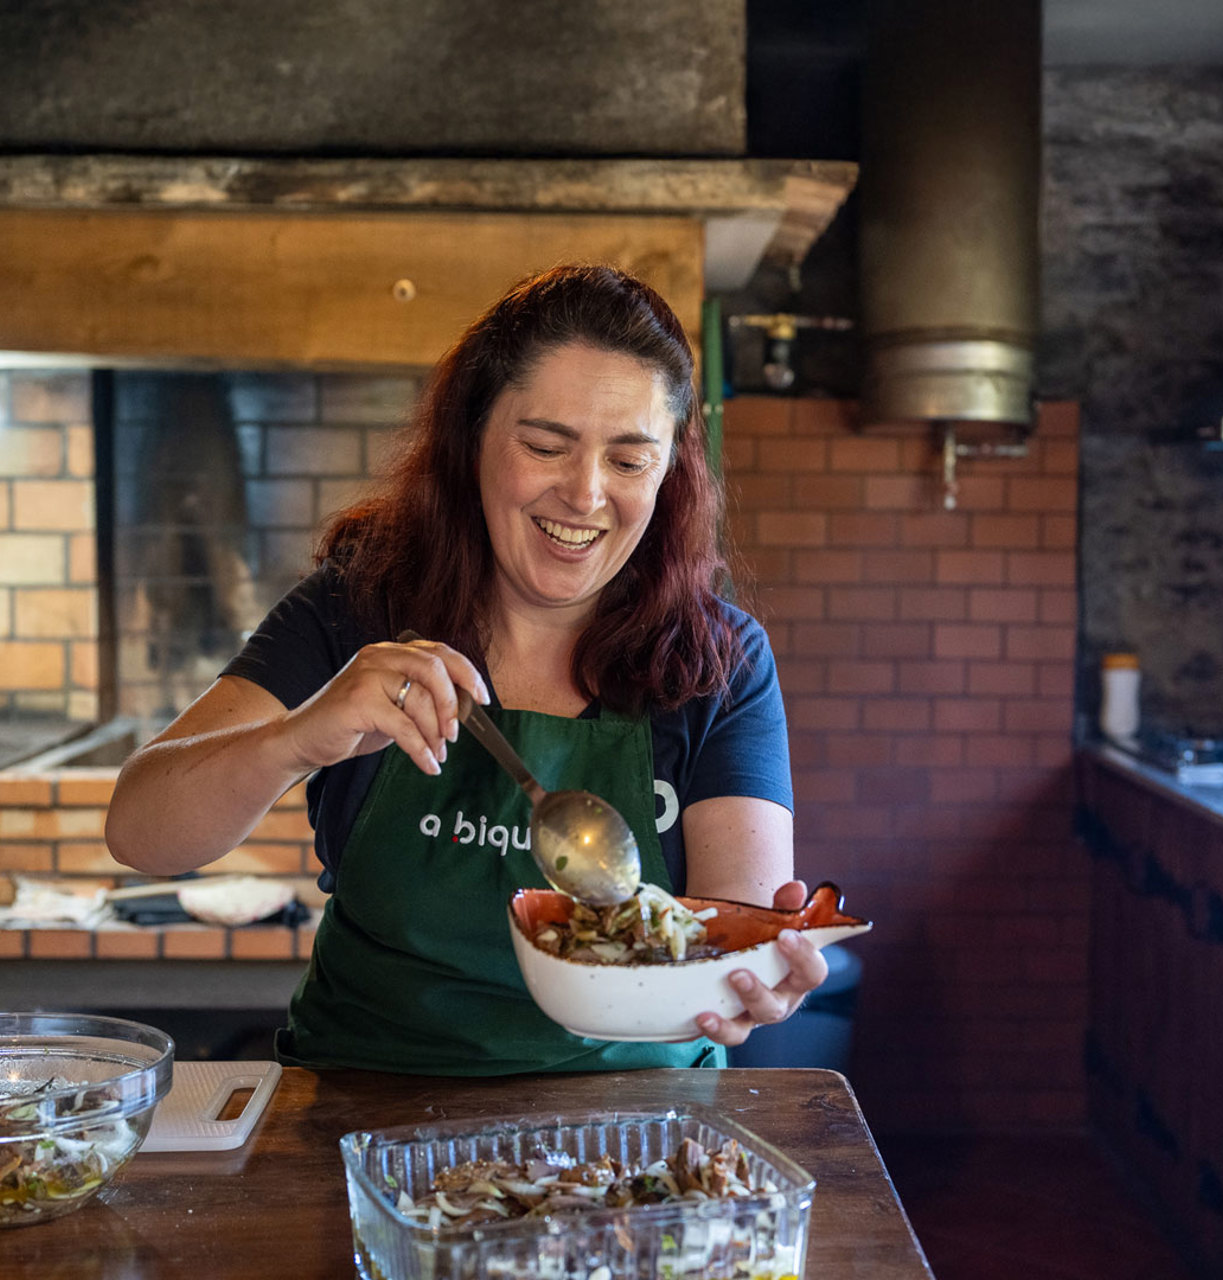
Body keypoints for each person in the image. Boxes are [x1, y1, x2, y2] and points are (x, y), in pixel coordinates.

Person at [105, 264, 828, 1075]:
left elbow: (738, 930)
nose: (586, 494)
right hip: (362, 1127)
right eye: (545, 445)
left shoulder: (717, 659)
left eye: (629, 461)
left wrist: (751, 980)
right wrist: (296, 740)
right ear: (471, 439)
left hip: (631, 1144)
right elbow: (139, 832)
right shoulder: (357, 607)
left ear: (669, 472)